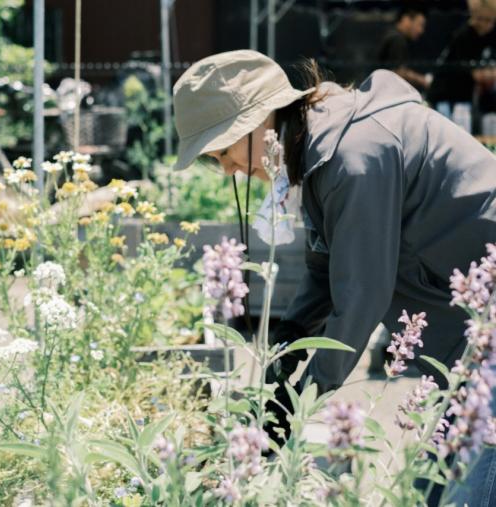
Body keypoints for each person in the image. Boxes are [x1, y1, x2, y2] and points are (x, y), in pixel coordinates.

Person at [172, 49, 496, 504]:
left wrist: (300, 402)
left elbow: (361, 294)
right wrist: (291, 339)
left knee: (465, 489)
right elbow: (327, 269)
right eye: (213, 159)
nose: (226, 168)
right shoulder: (321, 150)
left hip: (487, 324)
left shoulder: (354, 156)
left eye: (224, 150)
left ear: (263, 118)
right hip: (472, 331)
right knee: (430, 487)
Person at [429, 0, 496, 113]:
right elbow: (477, 75)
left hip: (466, 97)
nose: (489, 25)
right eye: (486, 20)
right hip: (446, 96)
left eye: (492, 21)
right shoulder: (463, 37)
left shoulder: (489, 36)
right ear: (476, 18)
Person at [376, 6, 430, 91]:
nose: (421, 31)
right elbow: (399, 72)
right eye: (420, 25)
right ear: (406, 19)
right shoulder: (397, 39)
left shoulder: (393, 36)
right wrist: (424, 80)